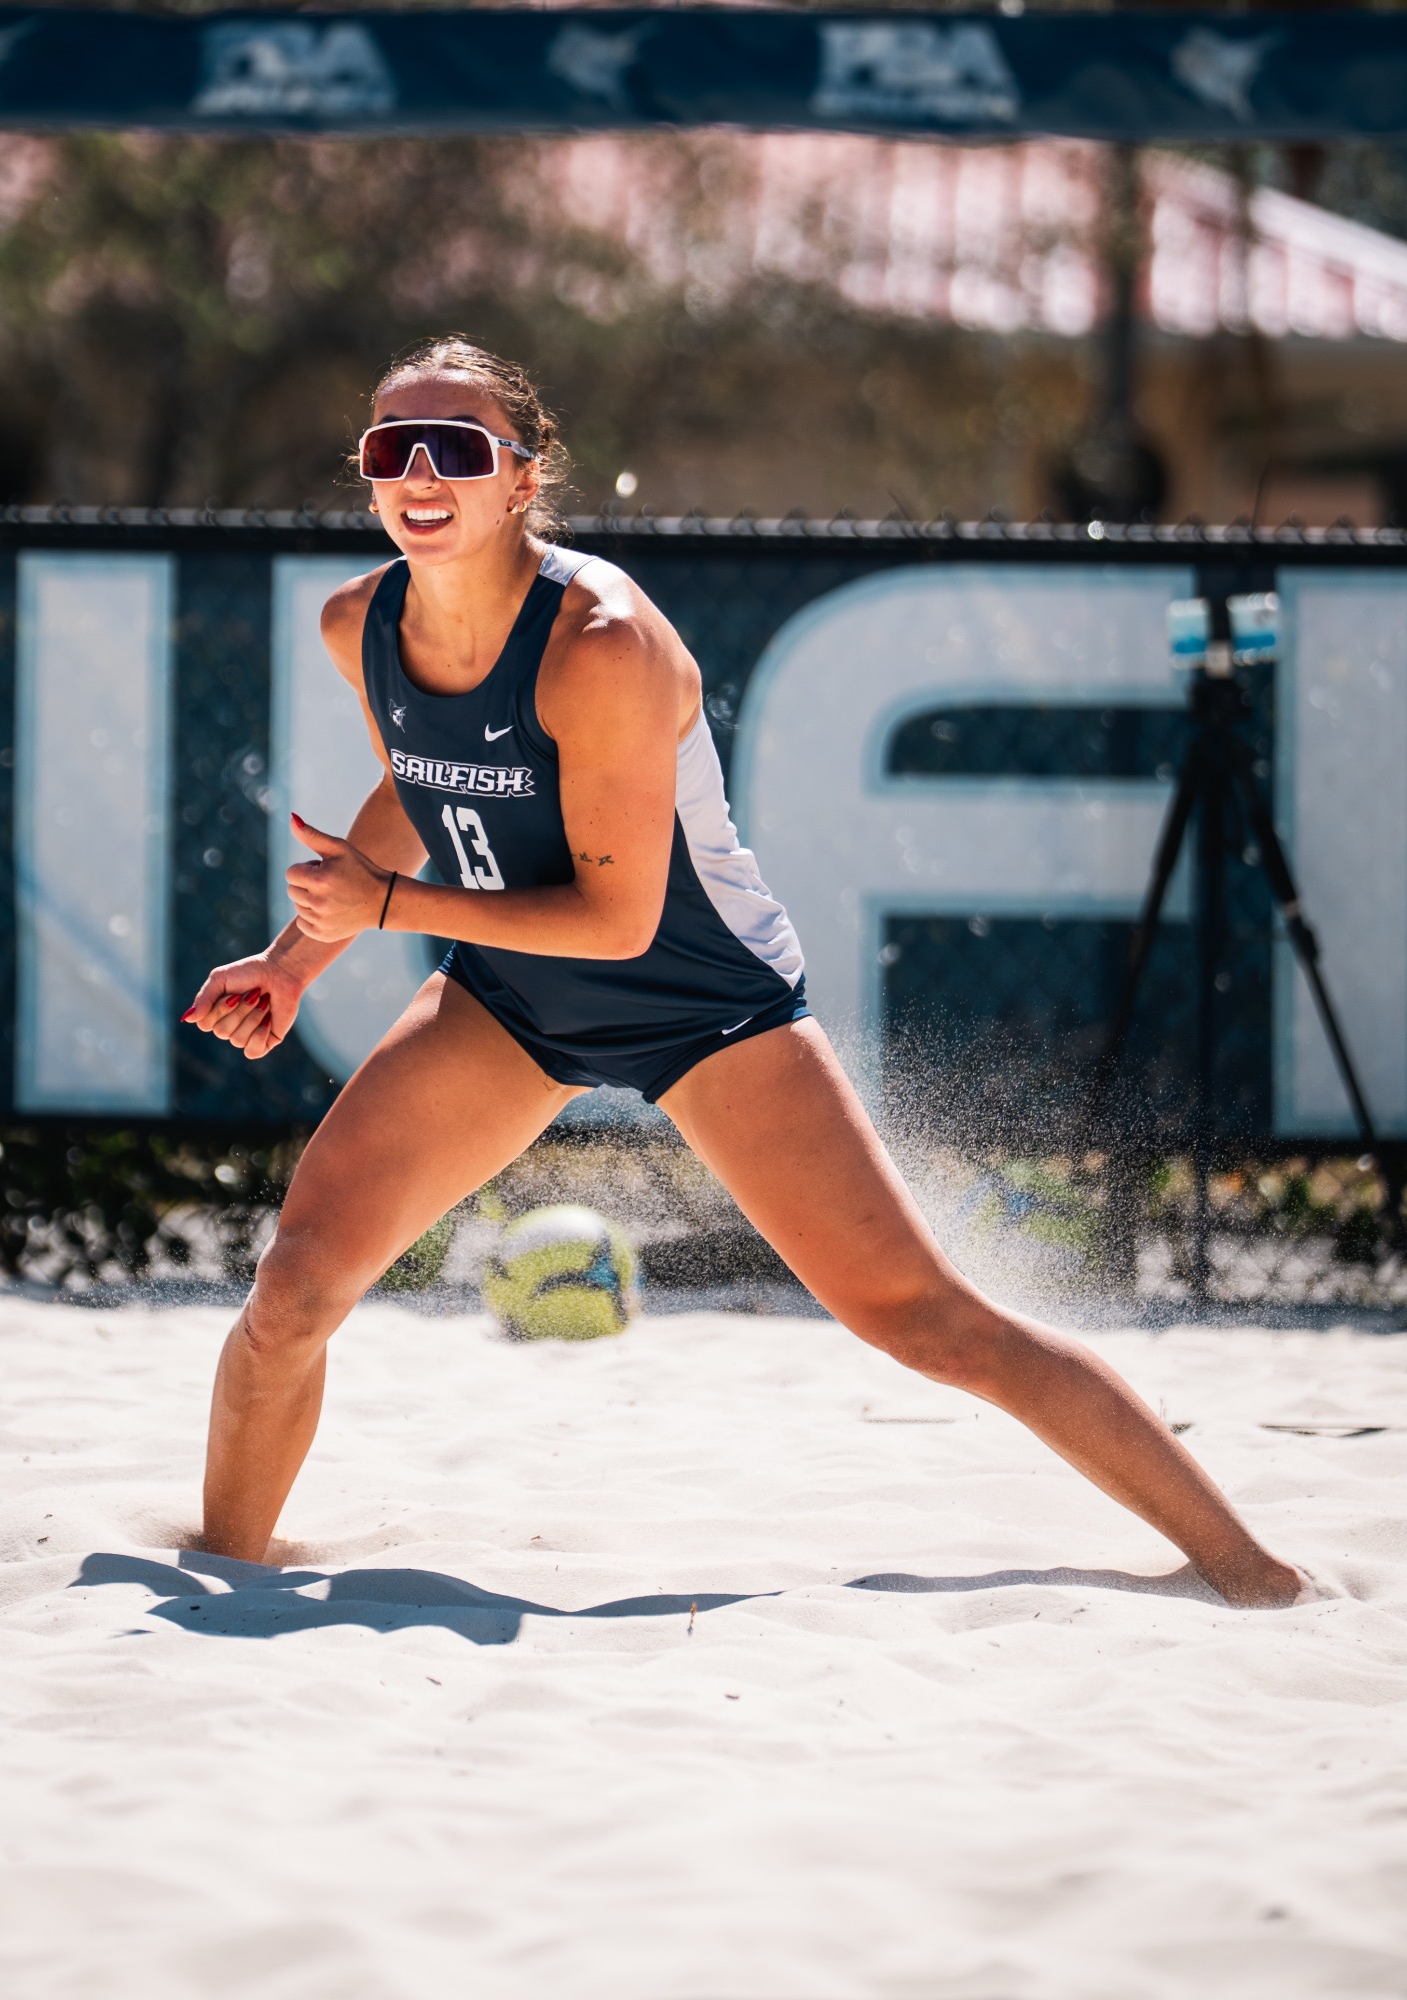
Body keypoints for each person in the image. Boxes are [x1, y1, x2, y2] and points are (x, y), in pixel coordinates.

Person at [185, 335, 1307, 1608]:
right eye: (393, 448)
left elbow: (617, 922)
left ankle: (1251, 1571)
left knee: (925, 1319)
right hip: (510, 994)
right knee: (291, 1290)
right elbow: (423, 780)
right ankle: (227, 1577)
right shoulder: (361, 623)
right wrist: (291, 962)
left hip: (703, 1001)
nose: (420, 472)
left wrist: (382, 908)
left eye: (459, 447)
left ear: (522, 476)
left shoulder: (605, 641)